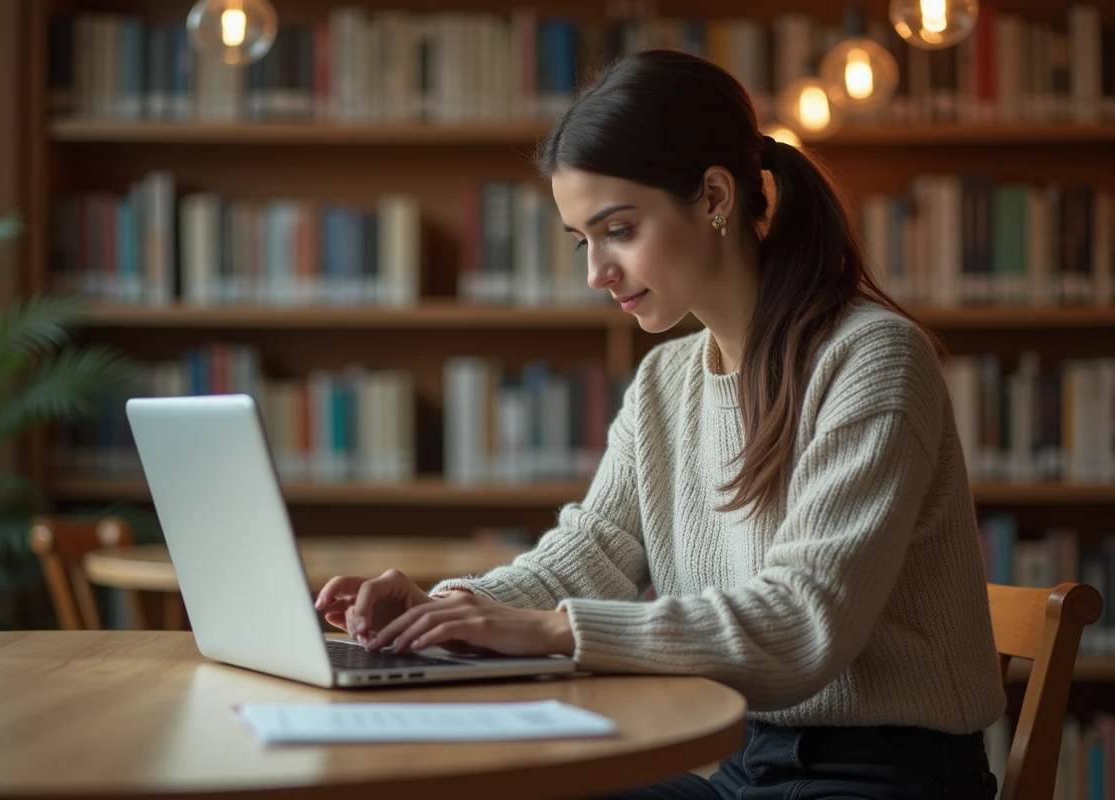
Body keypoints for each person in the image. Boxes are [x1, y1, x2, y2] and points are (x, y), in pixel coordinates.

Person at [314, 49, 1005, 799]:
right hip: (747, 757)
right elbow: (583, 556)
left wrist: (553, 632)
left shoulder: (871, 357)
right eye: (583, 240)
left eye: (618, 229)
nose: (596, 273)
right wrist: (443, 609)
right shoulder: (666, 381)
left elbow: (804, 625)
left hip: (882, 773)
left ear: (713, 196)